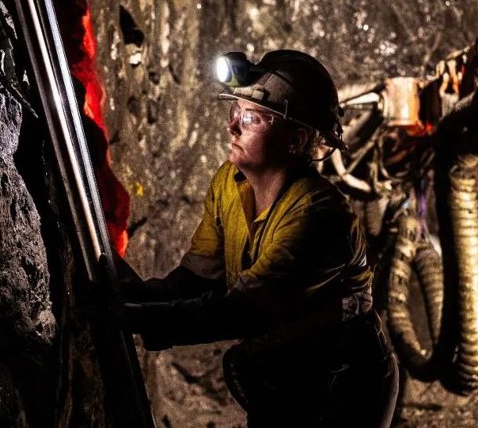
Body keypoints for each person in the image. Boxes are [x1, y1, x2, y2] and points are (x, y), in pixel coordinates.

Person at [114, 50, 399, 427]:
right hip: (278, 365)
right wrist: (139, 294)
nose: (233, 125)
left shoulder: (319, 216)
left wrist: (132, 318)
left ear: (296, 139)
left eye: (252, 117)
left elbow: (246, 309)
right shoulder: (229, 183)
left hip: (345, 382)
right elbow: (200, 277)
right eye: (234, 109)